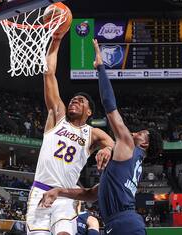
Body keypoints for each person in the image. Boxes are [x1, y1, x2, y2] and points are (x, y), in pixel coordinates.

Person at [39, 39, 163, 235]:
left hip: (123, 222)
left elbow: (109, 105)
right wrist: (59, 191)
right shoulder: (129, 164)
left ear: (145, 143)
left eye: (139, 133)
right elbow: (90, 194)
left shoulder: (130, 145)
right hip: (122, 223)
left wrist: (100, 68)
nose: (133, 133)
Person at [26, 33, 115, 235]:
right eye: (74, 99)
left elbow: (115, 146)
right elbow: (49, 73)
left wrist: (108, 148)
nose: (75, 101)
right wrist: (56, 40)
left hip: (66, 194)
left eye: (80, 101)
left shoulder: (92, 133)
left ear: (89, 112)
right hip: (40, 189)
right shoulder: (58, 116)